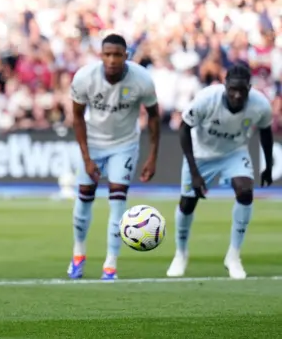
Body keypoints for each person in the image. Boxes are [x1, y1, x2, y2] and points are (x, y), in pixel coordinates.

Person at [167, 64, 273, 279]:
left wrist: (268, 166)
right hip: (200, 154)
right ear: (225, 85)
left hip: (234, 152)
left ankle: (233, 256)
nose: (236, 94)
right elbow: (184, 128)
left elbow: (266, 131)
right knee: (187, 204)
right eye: (232, 89)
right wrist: (195, 173)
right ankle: (181, 253)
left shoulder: (260, 105)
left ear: (249, 88)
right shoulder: (206, 99)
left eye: (242, 90)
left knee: (245, 191)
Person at [69, 34, 161, 280]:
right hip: (94, 144)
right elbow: (77, 117)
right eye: (107, 54)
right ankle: (78, 254)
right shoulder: (84, 78)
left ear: (126, 56)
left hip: (125, 145)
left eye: (117, 55)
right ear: (101, 56)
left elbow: (154, 116)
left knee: (118, 202)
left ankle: (110, 264)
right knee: (84, 199)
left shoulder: (141, 80)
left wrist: (152, 156)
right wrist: (87, 157)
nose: (112, 60)